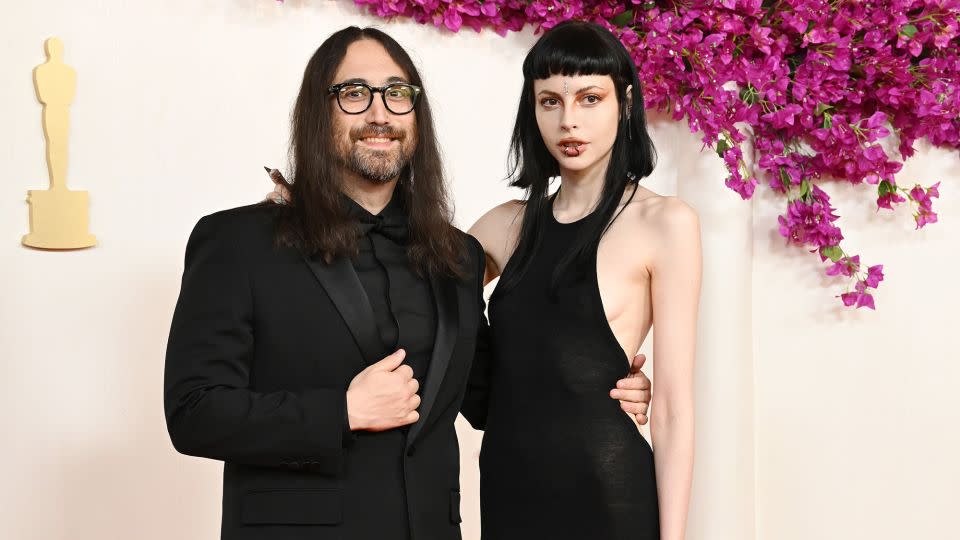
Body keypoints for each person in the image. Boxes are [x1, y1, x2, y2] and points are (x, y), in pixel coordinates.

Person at [166, 26, 652, 540]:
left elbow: (498, 399)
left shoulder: (456, 256)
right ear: (316, 113)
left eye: (397, 95)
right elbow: (193, 411)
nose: (380, 114)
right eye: (354, 94)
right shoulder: (238, 241)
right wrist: (342, 411)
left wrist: (600, 384)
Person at [467, 21, 701, 540]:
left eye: (589, 98)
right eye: (550, 101)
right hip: (509, 492)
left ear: (625, 102)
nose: (568, 121)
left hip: (610, 493)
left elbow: (672, 407)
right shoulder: (502, 226)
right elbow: (416, 296)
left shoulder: (664, 223)